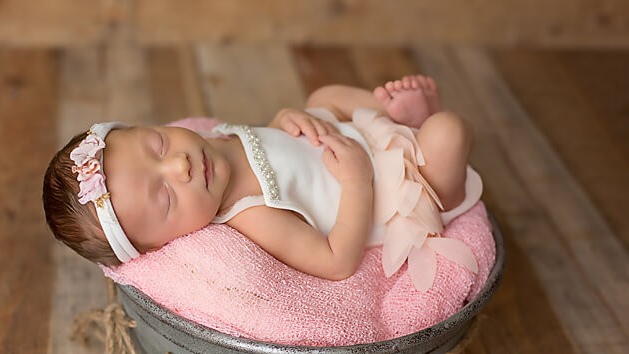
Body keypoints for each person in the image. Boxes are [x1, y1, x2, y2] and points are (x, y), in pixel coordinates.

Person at [43, 75, 481, 291]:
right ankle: (446, 180)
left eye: (157, 145)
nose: (179, 166)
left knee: (322, 96)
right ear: (166, 243)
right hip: (394, 185)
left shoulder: (218, 142)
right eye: (167, 197)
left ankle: (397, 116)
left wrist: (283, 121)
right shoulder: (254, 214)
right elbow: (336, 262)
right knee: (450, 132)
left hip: (354, 136)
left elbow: (270, 146)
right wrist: (358, 183)